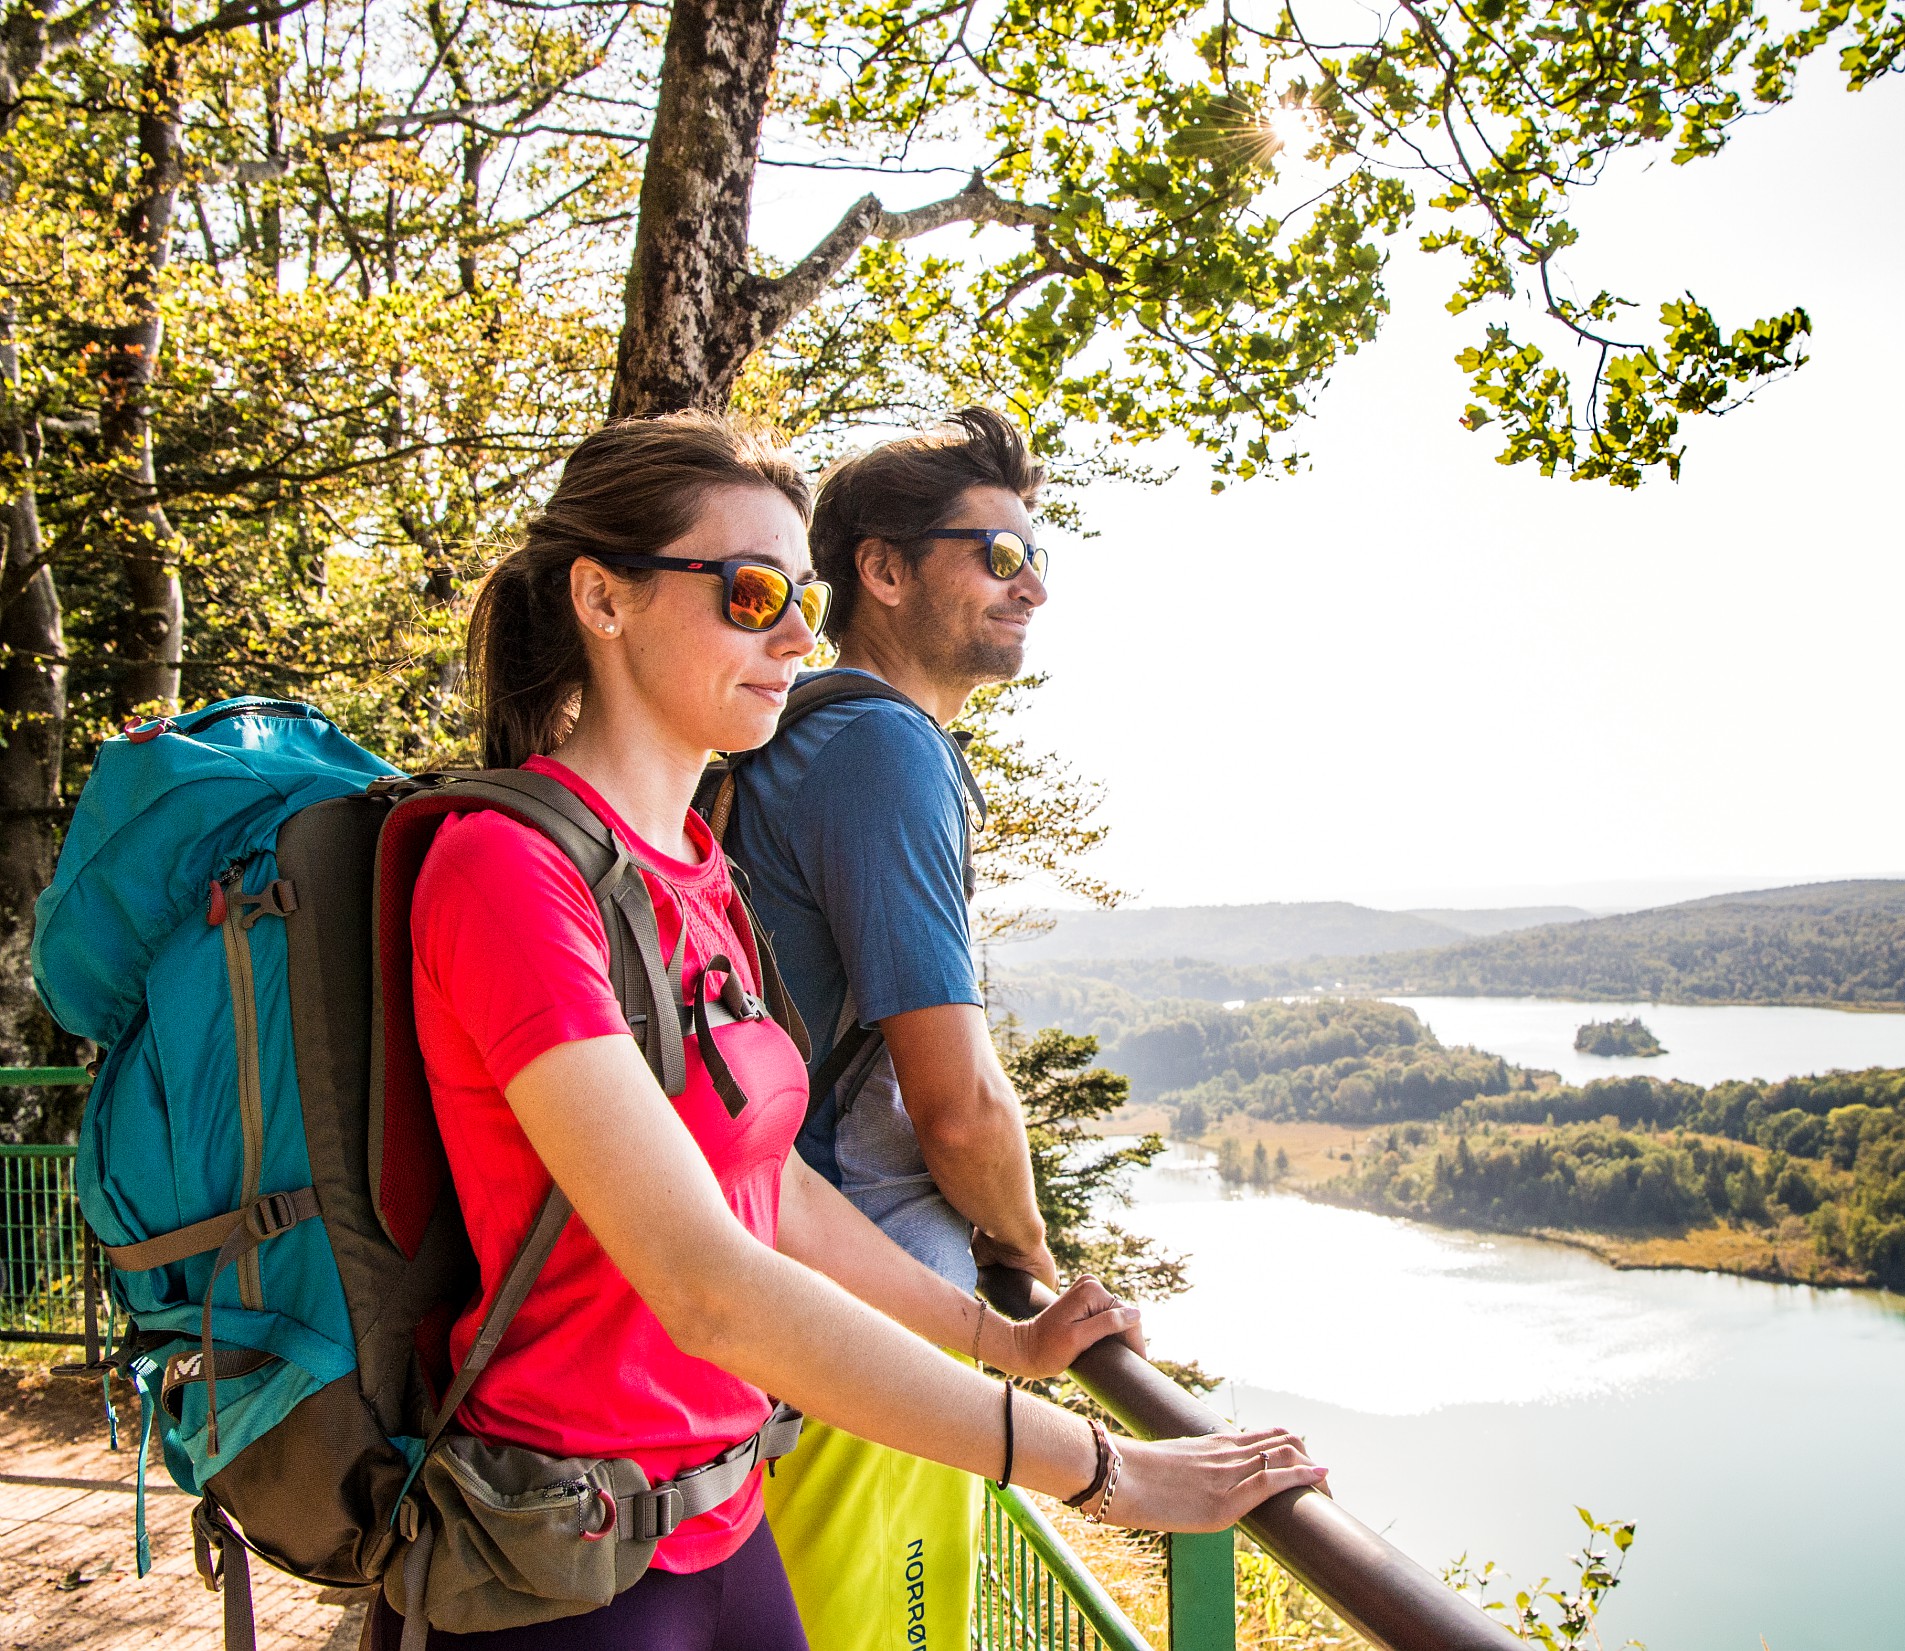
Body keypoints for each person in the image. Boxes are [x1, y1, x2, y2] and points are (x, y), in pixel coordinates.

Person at [382, 410, 1322, 1649]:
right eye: (751, 589)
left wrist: (1002, 1334)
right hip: (565, 1553)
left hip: (720, 1517)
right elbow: (707, 1284)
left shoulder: (694, 869)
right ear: (603, 601)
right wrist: (1109, 1470)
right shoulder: (503, 870)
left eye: (804, 600)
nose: (793, 634)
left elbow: (770, 1186)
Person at [720, 408, 1068, 1650]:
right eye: (995, 553)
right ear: (880, 568)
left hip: (786, 1314)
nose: (1028, 585)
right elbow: (955, 1102)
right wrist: (1034, 1258)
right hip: (869, 1334)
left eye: (1040, 558)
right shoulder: (881, 750)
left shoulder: (790, 734)